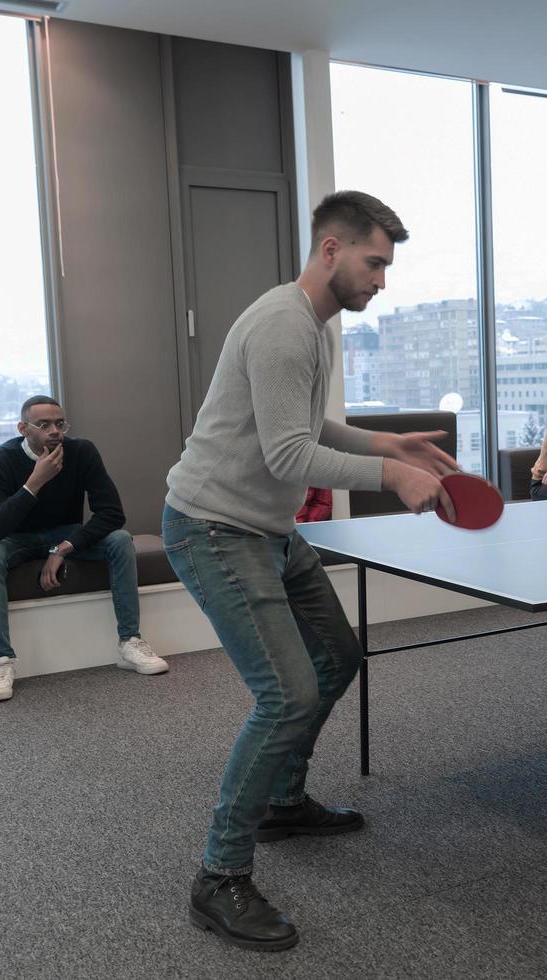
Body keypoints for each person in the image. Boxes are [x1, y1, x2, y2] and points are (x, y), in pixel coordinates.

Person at [163, 191, 456, 952]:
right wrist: (391, 481)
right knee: (286, 692)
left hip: (266, 525)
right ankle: (219, 875)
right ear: (331, 250)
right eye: (374, 262)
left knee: (337, 656)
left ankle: (282, 801)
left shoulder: (315, 325)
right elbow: (287, 456)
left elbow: (300, 424)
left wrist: (384, 445)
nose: (382, 280)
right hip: (213, 528)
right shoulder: (283, 325)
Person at [0, 396, 167, 703]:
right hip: (16, 537)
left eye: (59, 423)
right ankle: (0, 661)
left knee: (119, 540)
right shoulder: (0, 459)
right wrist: (34, 483)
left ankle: (130, 642)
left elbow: (112, 514)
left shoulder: (81, 451)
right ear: (23, 428)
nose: (55, 431)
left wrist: (61, 549)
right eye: (44, 424)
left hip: (64, 534)